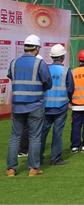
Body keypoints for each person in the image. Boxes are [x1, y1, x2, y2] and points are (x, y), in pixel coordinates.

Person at [6, 35, 52, 177]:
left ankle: (11, 169)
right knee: (35, 137)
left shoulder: (14, 62)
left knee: (15, 137)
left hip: (17, 105)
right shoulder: (39, 63)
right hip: (35, 105)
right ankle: (33, 168)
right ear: (37, 48)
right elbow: (48, 82)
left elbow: (11, 76)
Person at [40, 44, 73, 166]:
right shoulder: (66, 71)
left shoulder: (45, 69)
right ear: (62, 56)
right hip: (61, 106)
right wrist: (70, 100)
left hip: (46, 106)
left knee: (42, 133)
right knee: (57, 133)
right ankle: (55, 159)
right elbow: (70, 88)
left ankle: (37, 158)